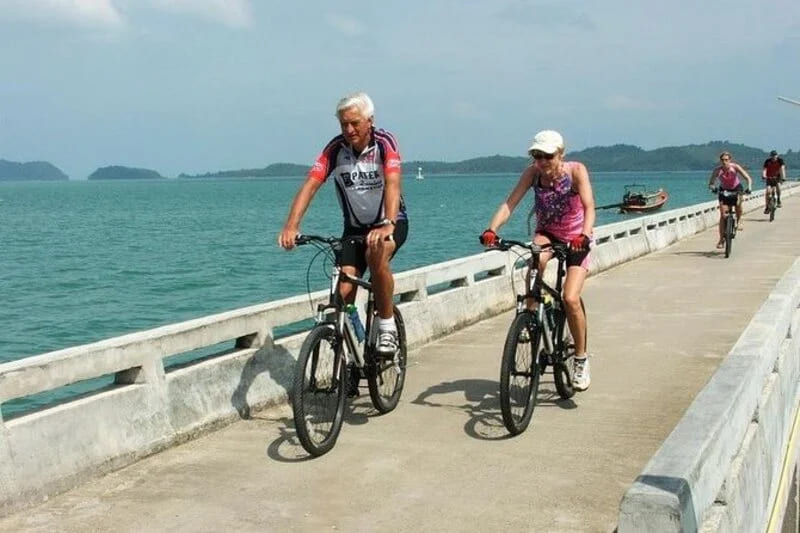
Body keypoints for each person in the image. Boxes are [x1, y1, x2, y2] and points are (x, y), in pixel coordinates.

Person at [278, 92, 409, 356]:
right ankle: (350, 359)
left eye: (355, 123)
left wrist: (388, 224)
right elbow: (310, 185)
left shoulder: (385, 143)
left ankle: (386, 327)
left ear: (370, 121)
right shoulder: (335, 149)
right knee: (344, 291)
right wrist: (291, 225)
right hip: (354, 228)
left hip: (391, 222)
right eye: (343, 124)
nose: (349, 130)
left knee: (376, 253)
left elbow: (393, 183)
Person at [479, 130, 596, 391]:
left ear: (561, 154)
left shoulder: (576, 171)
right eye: (537, 156)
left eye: (547, 156)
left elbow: (589, 207)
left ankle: (580, 359)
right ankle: (530, 317)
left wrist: (585, 236)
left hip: (576, 238)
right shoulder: (532, 174)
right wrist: (492, 230)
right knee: (535, 262)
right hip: (547, 234)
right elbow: (510, 204)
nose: (542, 162)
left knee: (570, 298)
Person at [707, 151, 753, 247]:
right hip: (724, 190)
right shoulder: (717, 170)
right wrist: (713, 188)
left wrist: (749, 187)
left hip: (736, 188)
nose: (724, 162)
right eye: (722, 160)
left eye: (726, 160)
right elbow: (711, 183)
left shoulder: (735, 167)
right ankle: (721, 239)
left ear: (730, 160)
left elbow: (748, 178)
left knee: (738, 203)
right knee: (723, 215)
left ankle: (739, 219)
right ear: (720, 161)